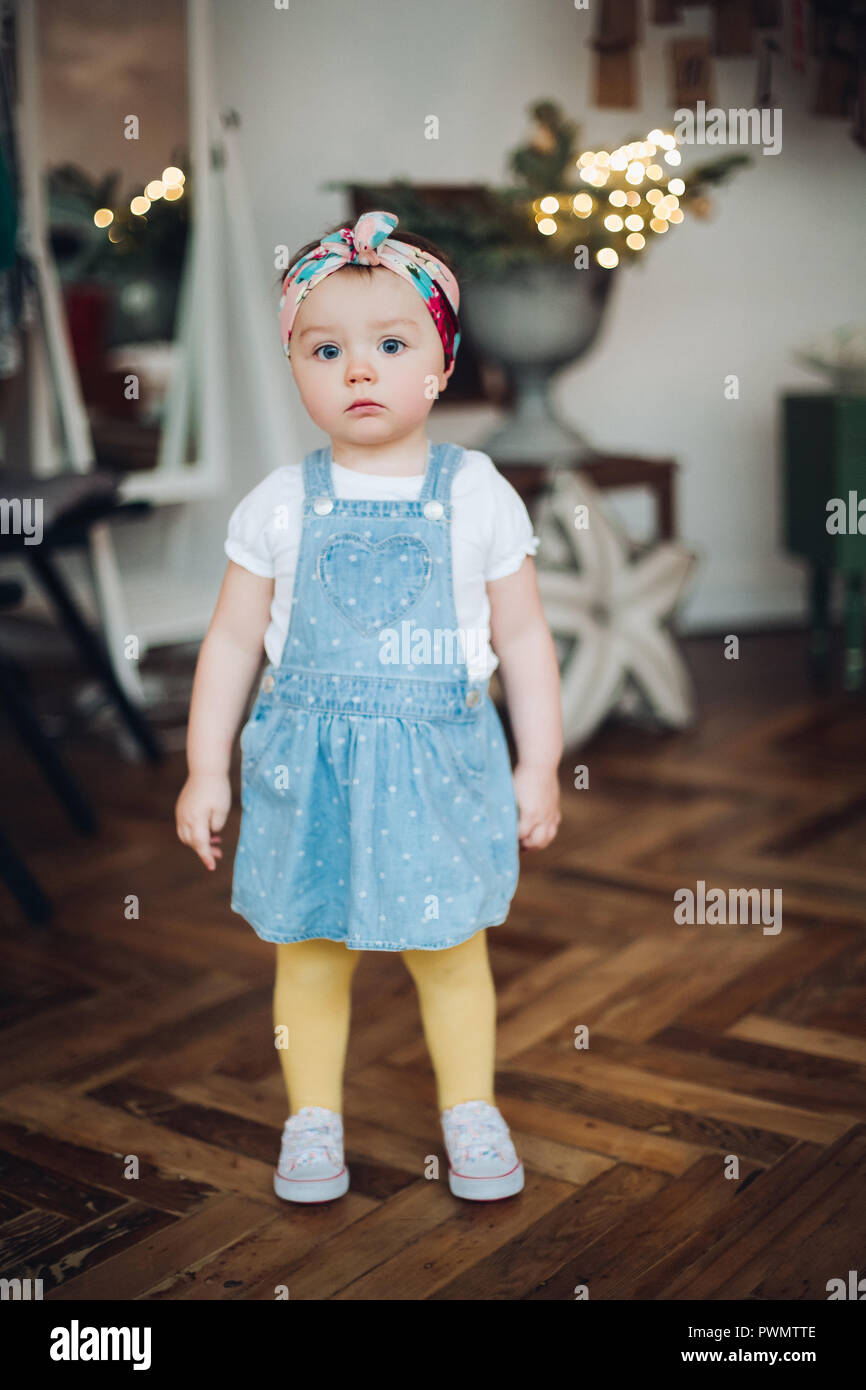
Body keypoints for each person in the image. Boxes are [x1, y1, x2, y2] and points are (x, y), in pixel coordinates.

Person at [175, 210, 562, 1204]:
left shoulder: (477, 492)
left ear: (440, 368)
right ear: (295, 368)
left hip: (439, 767)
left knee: (448, 952)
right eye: (327, 349)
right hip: (310, 769)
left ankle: (468, 1109)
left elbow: (521, 638)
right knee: (307, 956)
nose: (358, 370)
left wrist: (538, 761)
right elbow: (227, 641)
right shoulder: (276, 502)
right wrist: (206, 767)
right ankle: (312, 1120)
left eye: (391, 345)